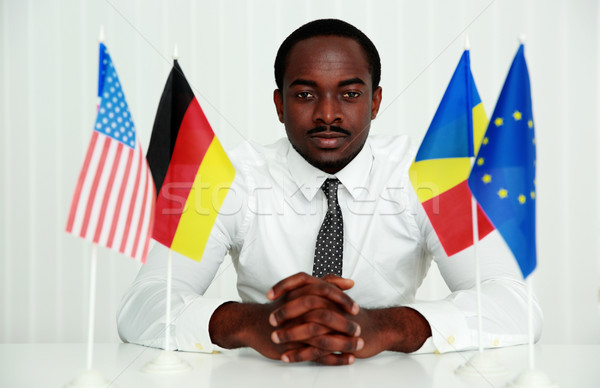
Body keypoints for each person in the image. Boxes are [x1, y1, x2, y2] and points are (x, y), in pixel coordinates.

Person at [117, 19, 542, 366]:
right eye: (304, 95)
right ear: (279, 104)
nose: (327, 114)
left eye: (350, 94)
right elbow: (144, 303)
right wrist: (250, 323)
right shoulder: (223, 177)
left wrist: (387, 327)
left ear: (375, 102)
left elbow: (514, 306)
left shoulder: (429, 176)